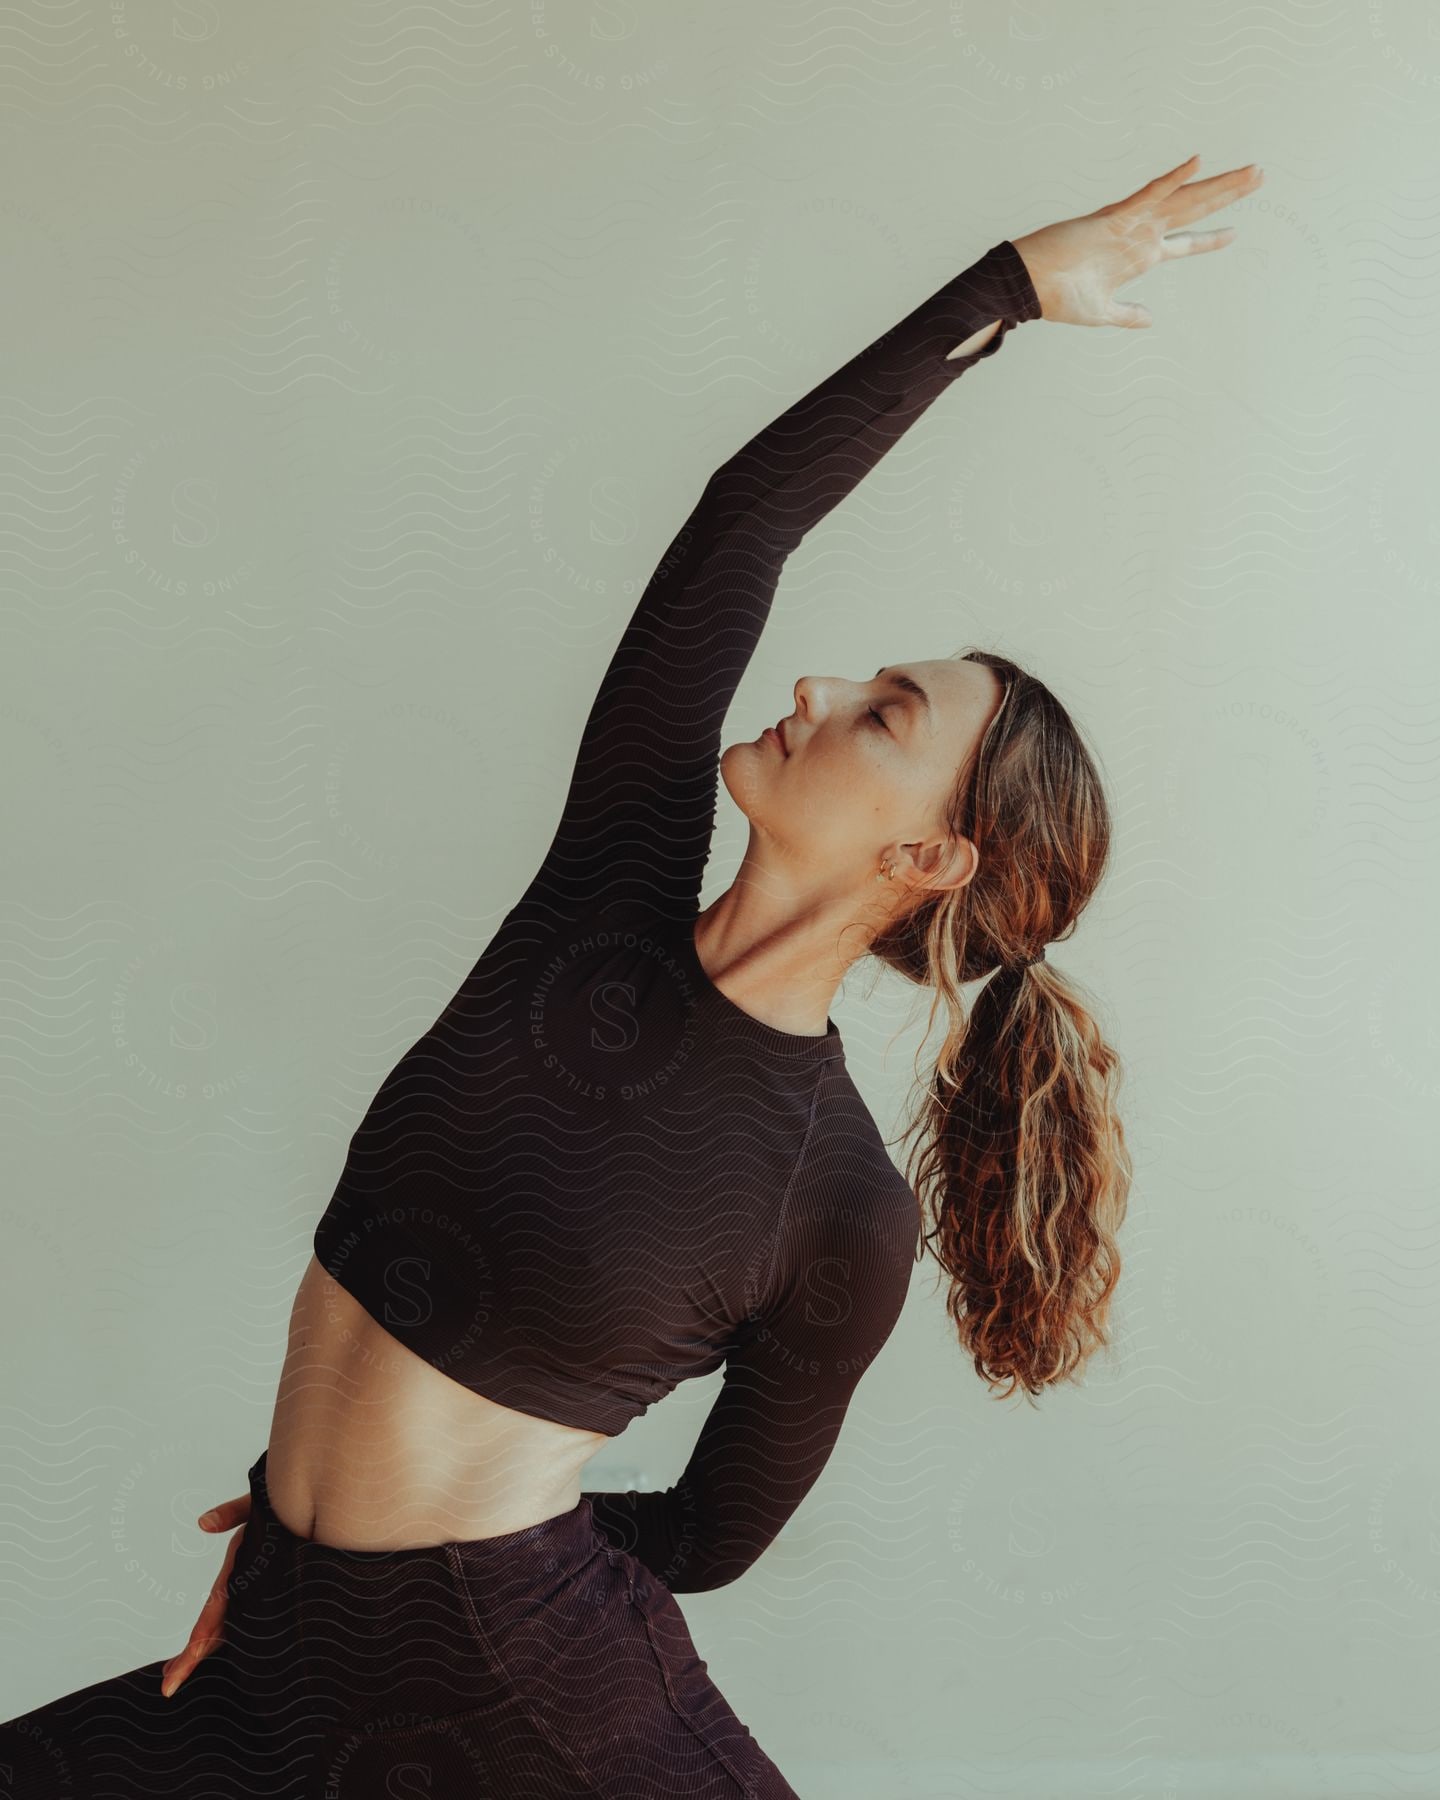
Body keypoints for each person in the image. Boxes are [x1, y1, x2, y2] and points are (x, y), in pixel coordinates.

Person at [0, 154, 1261, 1798]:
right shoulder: (602, 901)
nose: (816, 686)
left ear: (929, 862)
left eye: (883, 715)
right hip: (285, 1655)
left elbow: (715, 1536)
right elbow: (743, 525)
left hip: (521, 1696)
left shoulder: (838, 1208)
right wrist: (1006, 287)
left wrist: (431, 1552)